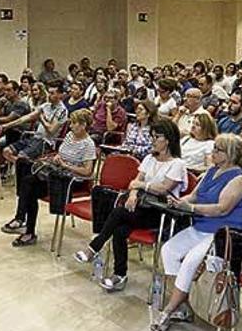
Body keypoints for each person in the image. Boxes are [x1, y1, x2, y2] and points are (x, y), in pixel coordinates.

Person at [150, 133, 242, 331]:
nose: (212, 152)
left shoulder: (238, 178)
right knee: (169, 251)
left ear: (230, 154)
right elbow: (195, 195)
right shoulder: (211, 171)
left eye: (217, 149)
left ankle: (170, 310)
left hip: (222, 232)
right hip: (202, 226)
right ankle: (183, 304)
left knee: (190, 262)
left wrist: (191, 208)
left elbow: (222, 209)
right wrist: (181, 202)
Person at [73, 120, 188, 292]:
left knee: (119, 213)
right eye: (152, 136)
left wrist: (140, 187)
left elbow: (164, 189)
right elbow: (135, 182)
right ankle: (120, 275)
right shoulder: (150, 158)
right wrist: (133, 194)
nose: (153, 140)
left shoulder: (177, 164)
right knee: (119, 230)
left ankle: (95, 246)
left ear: (168, 140)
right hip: (141, 206)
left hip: (160, 213)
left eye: (157, 137)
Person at [1, 109, 97, 246]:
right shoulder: (70, 135)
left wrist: (65, 165)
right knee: (27, 180)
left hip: (72, 180)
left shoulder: (88, 144)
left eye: (74, 123)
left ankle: (24, 225)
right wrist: (57, 158)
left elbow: (87, 172)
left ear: (83, 125)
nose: (70, 126)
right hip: (57, 173)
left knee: (29, 188)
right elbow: (61, 153)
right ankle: (26, 226)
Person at [1, 81, 68, 163]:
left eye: (52, 93)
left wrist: (41, 118)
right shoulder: (46, 106)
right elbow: (26, 118)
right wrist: (7, 125)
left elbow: (51, 130)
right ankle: (27, 166)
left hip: (45, 142)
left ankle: (26, 167)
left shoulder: (62, 111)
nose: (49, 95)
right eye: (49, 92)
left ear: (60, 95)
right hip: (34, 138)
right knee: (6, 151)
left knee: (21, 157)